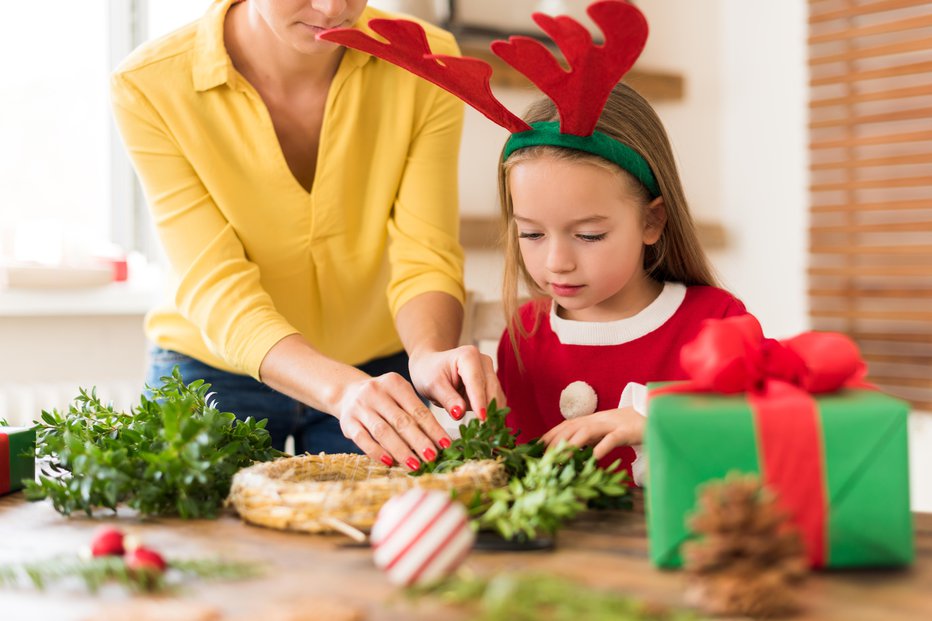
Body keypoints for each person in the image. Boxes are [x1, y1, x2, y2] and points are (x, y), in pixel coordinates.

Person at [110, 0, 501, 470]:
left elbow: (426, 252)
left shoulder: (424, 60)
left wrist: (428, 353)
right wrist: (339, 389)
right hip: (214, 370)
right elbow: (215, 284)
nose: (332, 7)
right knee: (196, 540)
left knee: (381, 538)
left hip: (377, 371)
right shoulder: (150, 84)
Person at [496, 82, 750, 481]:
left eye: (589, 236)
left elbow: (765, 428)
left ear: (652, 221)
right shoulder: (523, 335)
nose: (556, 263)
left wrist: (661, 418)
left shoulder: (715, 321)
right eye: (531, 234)